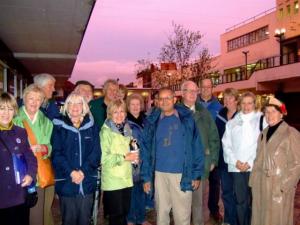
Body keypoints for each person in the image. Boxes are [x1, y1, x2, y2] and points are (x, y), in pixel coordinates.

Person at [141, 87, 204, 225]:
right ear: (157, 101)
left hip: (182, 175)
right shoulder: (152, 122)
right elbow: (145, 151)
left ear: (174, 99)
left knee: (182, 216)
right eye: (161, 99)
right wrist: (146, 177)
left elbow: (197, 146)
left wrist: (196, 174)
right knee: (161, 214)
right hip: (159, 175)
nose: (164, 101)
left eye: (168, 98)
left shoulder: (187, 119)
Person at [51, 92, 100, 225]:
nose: (75, 106)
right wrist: (72, 172)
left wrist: (82, 172)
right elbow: (56, 154)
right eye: (71, 103)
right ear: (66, 107)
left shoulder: (92, 127)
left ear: (84, 106)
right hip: (67, 181)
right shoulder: (58, 126)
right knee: (69, 220)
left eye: (79, 103)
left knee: (85, 220)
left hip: (87, 180)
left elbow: (96, 154)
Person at [249, 97, 300, 225]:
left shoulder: (290, 133)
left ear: (281, 113)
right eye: (267, 111)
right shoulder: (263, 133)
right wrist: (253, 181)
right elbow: (258, 159)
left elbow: (297, 164)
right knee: (260, 218)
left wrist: (284, 186)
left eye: (273, 111)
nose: (269, 115)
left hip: (278, 187)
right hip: (260, 185)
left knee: (277, 220)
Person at [222, 91, 266, 225]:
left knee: (255, 200)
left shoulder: (262, 120)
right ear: (240, 104)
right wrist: (236, 162)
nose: (247, 106)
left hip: (255, 167)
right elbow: (226, 144)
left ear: (254, 104)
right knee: (240, 201)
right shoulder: (232, 123)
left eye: (250, 103)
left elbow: (262, 144)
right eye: (244, 103)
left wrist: (250, 161)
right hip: (237, 168)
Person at [13, 84, 54, 225]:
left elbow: (49, 146)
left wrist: (43, 148)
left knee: (37, 215)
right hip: (17, 173)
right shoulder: (13, 118)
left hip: (38, 174)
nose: (34, 102)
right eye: (31, 98)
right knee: (16, 214)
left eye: (38, 99)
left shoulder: (47, 122)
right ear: (24, 99)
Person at [180, 81, 219, 225]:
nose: (192, 94)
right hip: (180, 167)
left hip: (200, 165)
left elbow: (214, 137)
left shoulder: (204, 112)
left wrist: (213, 159)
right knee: (181, 205)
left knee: (198, 205)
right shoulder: (176, 112)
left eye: (195, 91)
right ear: (182, 93)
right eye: (188, 91)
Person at [0, 92, 37, 225]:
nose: (6, 113)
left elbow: (30, 157)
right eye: (2, 108)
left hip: (19, 193)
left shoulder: (20, 132)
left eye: (10, 109)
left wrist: (30, 175)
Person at [100, 99, 139, 225]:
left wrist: (134, 151)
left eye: (122, 111)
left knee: (124, 214)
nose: (119, 114)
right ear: (109, 114)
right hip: (113, 181)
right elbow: (103, 159)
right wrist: (124, 157)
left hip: (127, 179)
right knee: (116, 216)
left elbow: (131, 150)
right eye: (115, 112)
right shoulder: (106, 132)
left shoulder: (127, 129)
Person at [198, 78, 223, 222]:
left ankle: (213, 209)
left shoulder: (219, 107)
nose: (206, 89)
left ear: (212, 88)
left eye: (209, 87)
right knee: (196, 181)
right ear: (200, 88)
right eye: (203, 87)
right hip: (197, 151)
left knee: (214, 182)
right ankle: (194, 210)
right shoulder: (193, 105)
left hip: (214, 151)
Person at [126, 93, 151, 225]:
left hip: (145, 160)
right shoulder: (125, 123)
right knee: (131, 192)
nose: (135, 107)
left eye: (138, 104)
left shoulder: (146, 121)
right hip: (131, 161)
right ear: (128, 106)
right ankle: (130, 219)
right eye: (132, 104)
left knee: (142, 191)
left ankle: (141, 218)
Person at [215, 88, 239, 225]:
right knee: (226, 193)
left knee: (239, 194)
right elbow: (216, 137)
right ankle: (229, 220)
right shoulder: (220, 115)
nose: (227, 101)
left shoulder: (242, 116)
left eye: (230, 98)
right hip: (224, 162)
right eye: (225, 98)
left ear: (236, 100)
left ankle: (238, 219)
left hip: (238, 162)